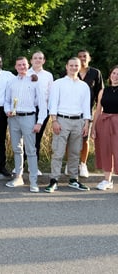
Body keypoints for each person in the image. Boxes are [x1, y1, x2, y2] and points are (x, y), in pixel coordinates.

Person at [45, 57, 91, 193]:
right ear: (66, 67)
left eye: (76, 66)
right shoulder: (58, 83)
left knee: (75, 152)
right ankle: (54, 180)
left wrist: (86, 124)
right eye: (71, 65)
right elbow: (53, 103)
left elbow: (86, 107)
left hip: (79, 121)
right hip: (62, 120)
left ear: (80, 67)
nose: (73, 68)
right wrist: (54, 121)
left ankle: (73, 179)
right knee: (58, 152)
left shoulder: (84, 86)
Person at [4, 57, 46, 193]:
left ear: (28, 66)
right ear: (15, 67)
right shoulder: (11, 82)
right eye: (19, 65)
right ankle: (18, 177)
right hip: (14, 118)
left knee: (31, 150)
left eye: (24, 64)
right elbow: (7, 100)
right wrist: (7, 110)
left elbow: (42, 103)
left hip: (29, 118)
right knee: (17, 149)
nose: (22, 67)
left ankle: (33, 181)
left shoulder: (35, 81)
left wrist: (39, 122)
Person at [74, 49, 104, 178]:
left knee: (84, 139)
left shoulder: (95, 73)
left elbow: (100, 94)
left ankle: (83, 164)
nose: (82, 58)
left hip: (87, 112)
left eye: (84, 56)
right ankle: (72, 164)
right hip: (70, 111)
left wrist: (100, 110)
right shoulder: (71, 71)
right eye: (79, 56)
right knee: (70, 140)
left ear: (89, 58)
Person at [24, 51, 53, 174]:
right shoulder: (25, 74)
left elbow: (51, 94)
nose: (37, 60)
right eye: (35, 58)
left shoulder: (48, 75)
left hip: (42, 110)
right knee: (26, 137)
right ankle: (21, 163)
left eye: (40, 58)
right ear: (31, 61)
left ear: (44, 60)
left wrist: (50, 111)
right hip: (28, 109)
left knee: (37, 138)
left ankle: (34, 166)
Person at [91, 65, 118, 190]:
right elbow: (98, 111)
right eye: (114, 73)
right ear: (110, 75)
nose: (116, 76)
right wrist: (93, 128)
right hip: (104, 122)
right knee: (106, 151)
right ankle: (107, 180)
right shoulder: (103, 91)